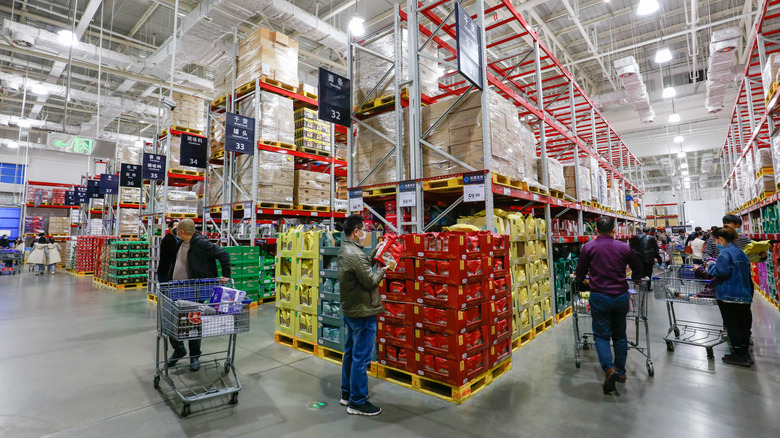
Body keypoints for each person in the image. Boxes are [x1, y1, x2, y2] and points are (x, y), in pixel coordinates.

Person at [575, 217, 643, 394]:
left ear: (596, 230)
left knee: (601, 335)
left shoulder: (588, 247)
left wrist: (580, 281)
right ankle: (620, 372)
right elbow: (638, 268)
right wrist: (636, 279)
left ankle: (609, 368)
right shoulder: (624, 247)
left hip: (600, 296)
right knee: (620, 335)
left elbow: (580, 272)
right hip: (620, 296)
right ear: (614, 231)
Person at [165, 219, 231, 372]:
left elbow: (223, 255)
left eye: (177, 230)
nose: (175, 232)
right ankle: (179, 349)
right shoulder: (180, 235)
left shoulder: (201, 243)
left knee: (193, 322)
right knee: (171, 319)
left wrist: (226, 275)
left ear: (182, 232)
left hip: (194, 290)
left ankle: (195, 355)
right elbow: (174, 230)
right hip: (177, 289)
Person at [337, 214, 388, 416]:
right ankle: (357, 402)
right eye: (363, 229)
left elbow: (361, 267)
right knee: (361, 358)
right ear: (355, 232)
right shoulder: (355, 254)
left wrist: (376, 251)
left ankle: (347, 394)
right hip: (363, 311)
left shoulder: (346, 250)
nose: (365, 233)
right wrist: (384, 269)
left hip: (351, 310)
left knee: (350, 354)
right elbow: (369, 281)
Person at [707, 226, 754, 367]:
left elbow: (721, 271)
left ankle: (738, 354)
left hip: (728, 295)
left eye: (716, 240)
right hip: (744, 294)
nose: (716, 243)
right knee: (744, 325)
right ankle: (744, 353)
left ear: (721, 239)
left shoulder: (725, 254)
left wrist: (710, 265)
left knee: (732, 325)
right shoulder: (741, 253)